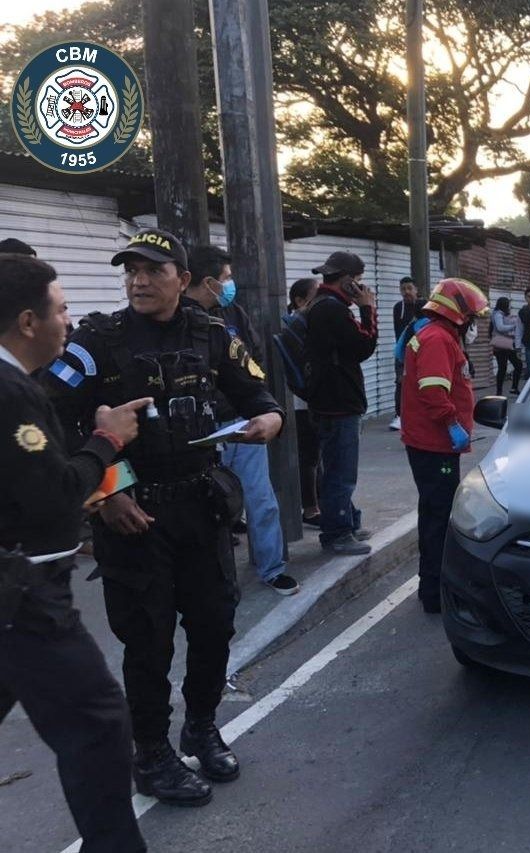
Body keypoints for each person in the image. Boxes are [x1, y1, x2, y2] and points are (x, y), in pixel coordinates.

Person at [46, 228, 283, 806]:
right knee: (147, 642)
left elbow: (261, 398)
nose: (139, 281)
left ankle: (200, 726)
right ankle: (151, 753)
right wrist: (107, 493)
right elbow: (52, 421)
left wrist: (268, 422)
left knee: (214, 624)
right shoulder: (95, 341)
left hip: (200, 507)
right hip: (132, 516)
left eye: (153, 270)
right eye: (131, 271)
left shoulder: (211, 335)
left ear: (182, 278)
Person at [0, 253, 149, 852]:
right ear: (30, 320)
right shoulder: (12, 391)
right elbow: (53, 497)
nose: (70, 319)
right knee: (98, 725)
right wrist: (108, 441)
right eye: (61, 309)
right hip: (27, 595)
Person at [184, 245, 297, 596]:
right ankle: (215, 582)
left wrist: (262, 408)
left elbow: (252, 359)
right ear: (208, 282)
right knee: (208, 511)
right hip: (200, 434)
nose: (230, 284)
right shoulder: (176, 322)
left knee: (260, 500)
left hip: (241, 424)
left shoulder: (232, 314)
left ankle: (271, 568)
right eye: (227, 278)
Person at [400, 278, 490, 614]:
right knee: (438, 516)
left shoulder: (438, 335)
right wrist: (453, 424)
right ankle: (435, 592)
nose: (474, 325)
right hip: (434, 443)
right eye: (472, 318)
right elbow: (434, 393)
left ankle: (432, 585)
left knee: (434, 512)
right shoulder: (438, 339)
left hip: (432, 442)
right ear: (459, 315)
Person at [306, 250, 377, 556]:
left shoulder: (323, 305)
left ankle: (346, 522)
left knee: (335, 467)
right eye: (359, 281)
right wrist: (367, 310)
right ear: (348, 280)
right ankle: (337, 533)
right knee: (340, 471)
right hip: (338, 401)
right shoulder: (332, 310)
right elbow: (364, 345)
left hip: (331, 399)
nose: (361, 288)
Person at [287, 278, 321, 527]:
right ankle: (310, 509)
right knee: (309, 458)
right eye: (316, 295)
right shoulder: (296, 325)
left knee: (315, 458)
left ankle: (316, 505)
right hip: (301, 402)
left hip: (312, 400)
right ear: (300, 300)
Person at [390, 276, 424, 431]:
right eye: (403, 289)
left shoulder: (423, 306)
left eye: (409, 288)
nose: (406, 292)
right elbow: (399, 332)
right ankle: (399, 415)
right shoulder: (398, 308)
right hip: (403, 351)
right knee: (400, 382)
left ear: (416, 289)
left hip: (422, 352)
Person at [490, 296, 523, 396]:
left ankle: (513, 388)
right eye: (508, 304)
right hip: (501, 346)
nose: (509, 307)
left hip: (506, 345)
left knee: (517, 365)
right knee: (503, 368)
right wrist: (513, 326)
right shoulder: (498, 314)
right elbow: (500, 328)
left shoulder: (500, 314)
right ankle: (500, 391)